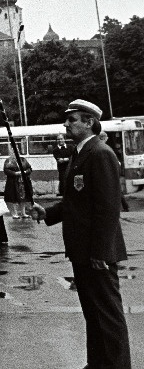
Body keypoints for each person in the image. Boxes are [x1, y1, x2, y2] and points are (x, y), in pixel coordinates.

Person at [30, 99, 130, 369]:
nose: (66, 124)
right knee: (92, 312)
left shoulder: (101, 153)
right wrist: (48, 213)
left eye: (72, 119)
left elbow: (108, 208)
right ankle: (97, 363)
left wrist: (101, 252)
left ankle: (117, 365)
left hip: (96, 252)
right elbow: (76, 201)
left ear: (89, 123)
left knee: (108, 314)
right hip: (82, 250)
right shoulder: (80, 153)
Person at [3, 154, 32, 219]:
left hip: (23, 182)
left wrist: (25, 172)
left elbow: (29, 168)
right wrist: (15, 173)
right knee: (13, 197)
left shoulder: (23, 160)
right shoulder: (8, 160)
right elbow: (6, 170)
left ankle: (23, 213)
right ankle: (14, 213)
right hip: (13, 182)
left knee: (23, 197)